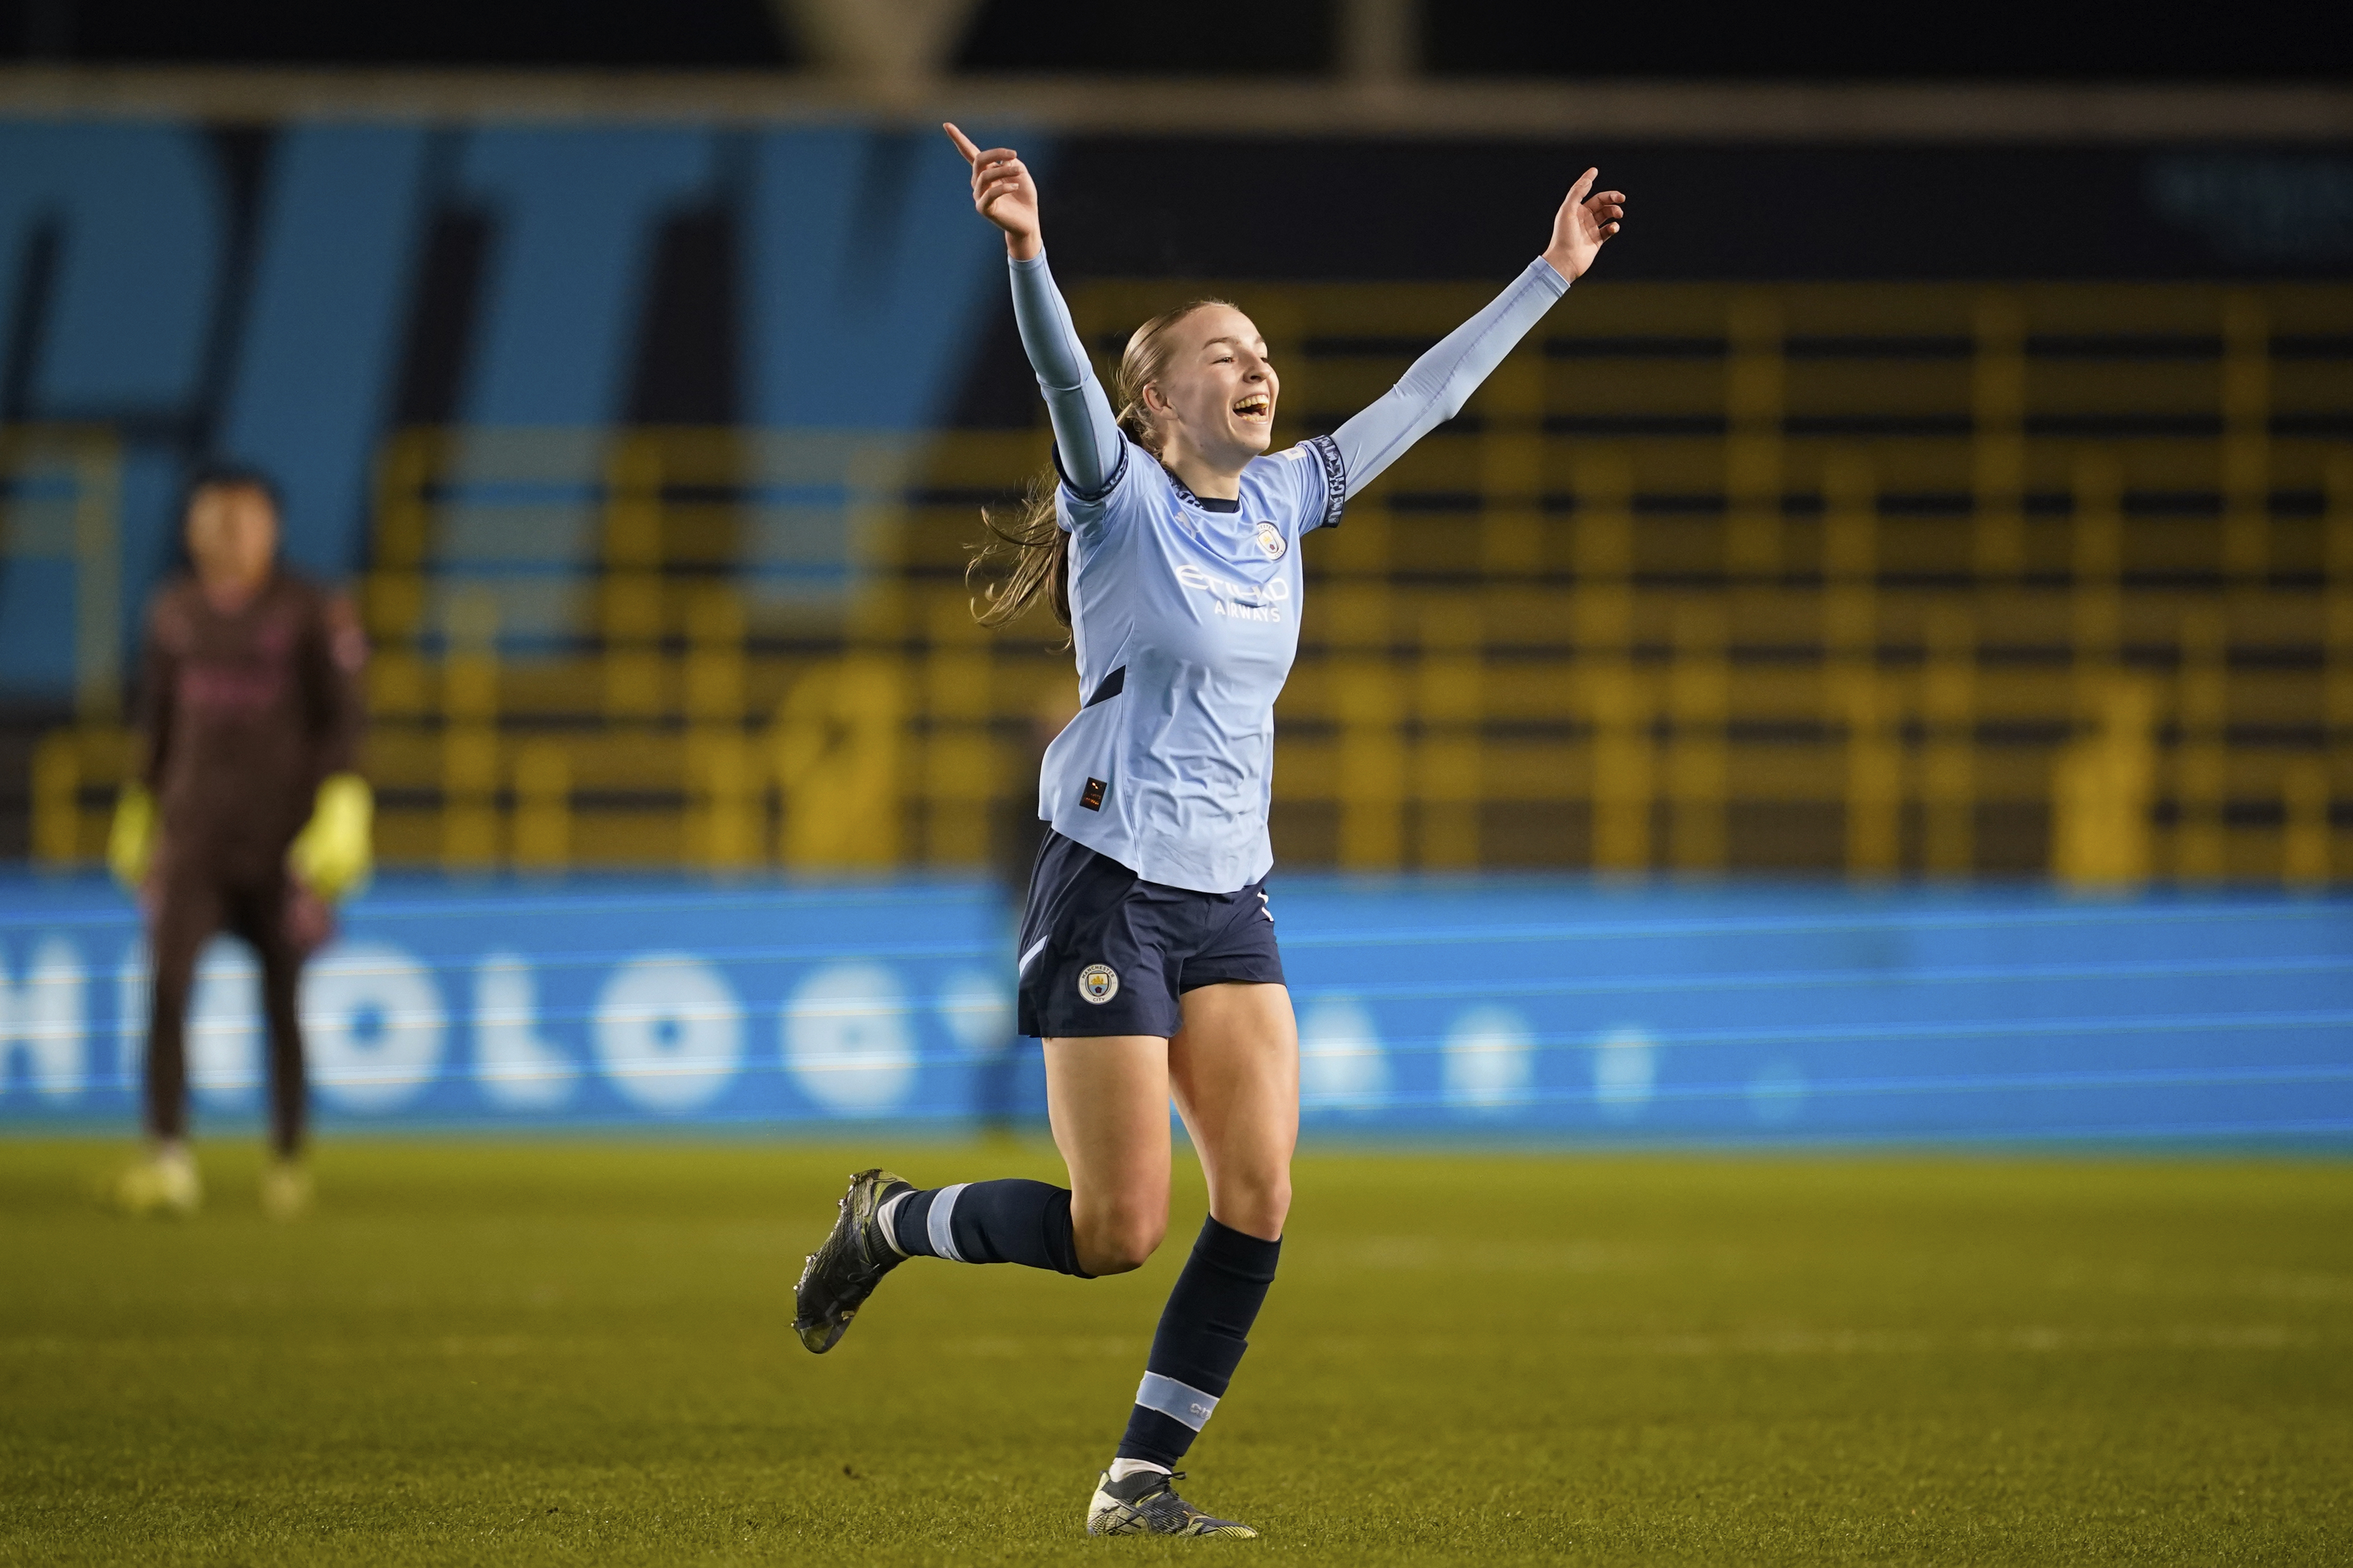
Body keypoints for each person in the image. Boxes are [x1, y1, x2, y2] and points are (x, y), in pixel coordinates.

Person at [792, 124, 1625, 1537]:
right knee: (1113, 1233)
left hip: (1229, 898)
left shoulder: (1286, 500)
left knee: (1260, 1191)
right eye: (1223, 354)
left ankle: (1138, 1481)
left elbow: (1424, 400)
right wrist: (1029, 254)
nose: (1258, 367)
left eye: (1262, 353)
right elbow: (1061, 375)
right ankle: (890, 1223)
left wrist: (1548, 274)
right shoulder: (1118, 507)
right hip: (1109, 891)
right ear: (1156, 401)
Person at [106, 468, 373, 1219]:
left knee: (281, 999)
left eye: (243, 517)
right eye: (212, 516)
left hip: (279, 842)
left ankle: (287, 1158)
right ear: (193, 527)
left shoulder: (311, 608)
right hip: (192, 838)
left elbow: (343, 720)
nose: (227, 531)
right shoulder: (174, 611)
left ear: (271, 528)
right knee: (166, 990)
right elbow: (156, 721)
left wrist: (341, 808)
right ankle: (167, 1156)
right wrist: (140, 809)